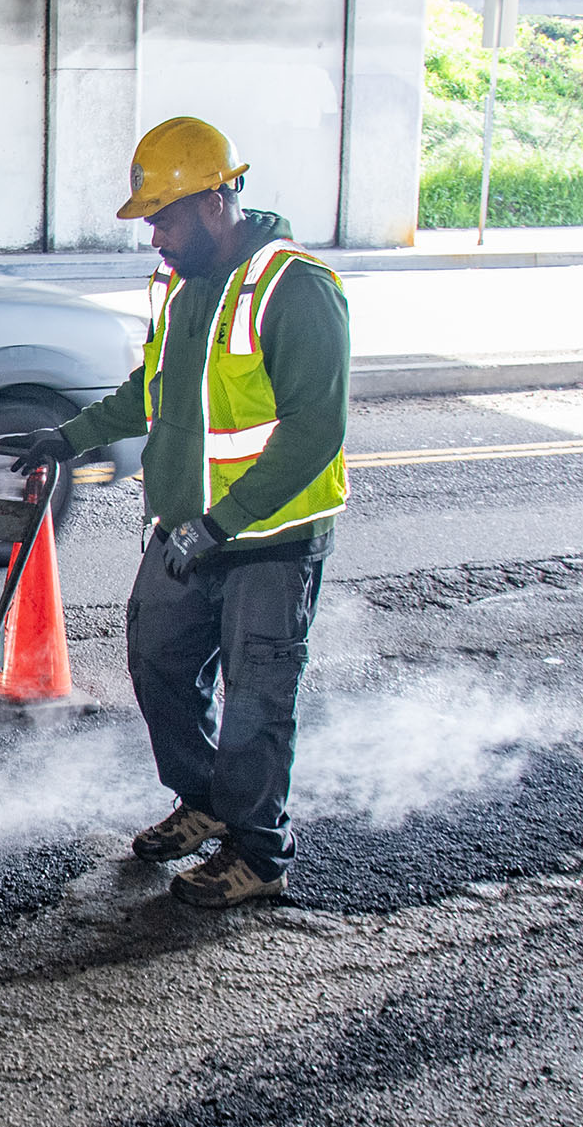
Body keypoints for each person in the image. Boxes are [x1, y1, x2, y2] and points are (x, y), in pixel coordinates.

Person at [19, 117, 350, 907]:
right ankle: (206, 799)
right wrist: (68, 437)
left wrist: (223, 522)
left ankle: (260, 851)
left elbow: (316, 430)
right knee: (159, 660)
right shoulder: (187, 286)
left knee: (258, 698)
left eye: (164, 217)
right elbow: (153, 392)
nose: (155, 236)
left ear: (214, 202)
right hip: (186, 529)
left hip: (266, 538)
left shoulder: (294, 288)